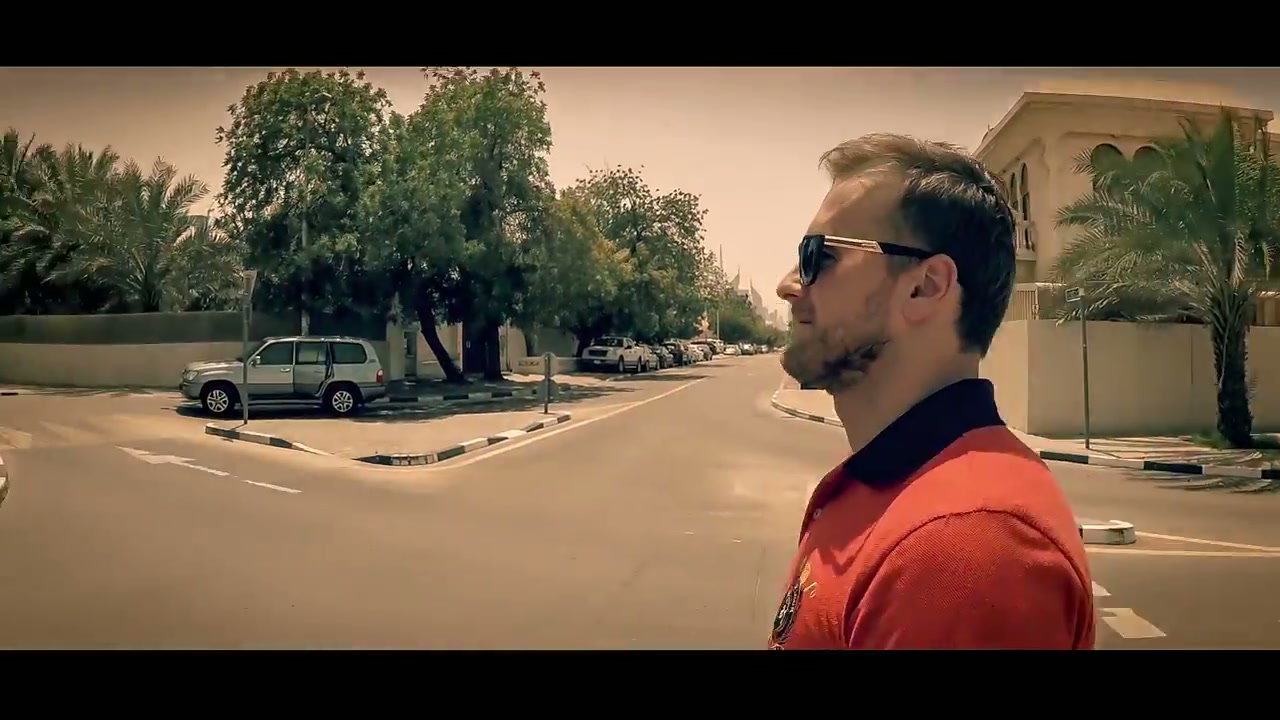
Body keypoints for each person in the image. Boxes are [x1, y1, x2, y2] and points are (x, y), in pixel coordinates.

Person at [770, 133, 1095, 650]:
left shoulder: (964, 547)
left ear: (925, 287)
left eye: (818, 257)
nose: (789, 284)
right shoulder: (889, 488)